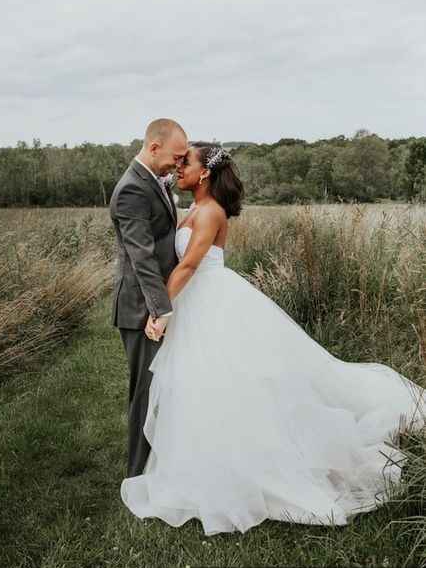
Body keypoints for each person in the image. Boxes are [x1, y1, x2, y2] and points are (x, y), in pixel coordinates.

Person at [120, 141, 426, 536]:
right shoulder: (194, 207)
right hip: (197, 304)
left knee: (233, 382)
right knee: (199, 386)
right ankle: (205, 460)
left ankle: (250, 466)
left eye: (186, 163)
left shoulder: (210, 211)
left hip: (212, 301)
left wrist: (160, 312)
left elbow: (191, 264)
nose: (179, 169)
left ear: (206, 173)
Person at [109, 118, 188, 477]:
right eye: (175, 157)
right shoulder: (132, 189)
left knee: (162, 387)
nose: (179, 164)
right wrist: (161, 310)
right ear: (154, 147)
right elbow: (141, 255)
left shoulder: (152, 180)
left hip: (153, 303)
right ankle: (138, 476)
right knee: (146, 392)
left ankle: (162, 464)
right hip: (141, 308)